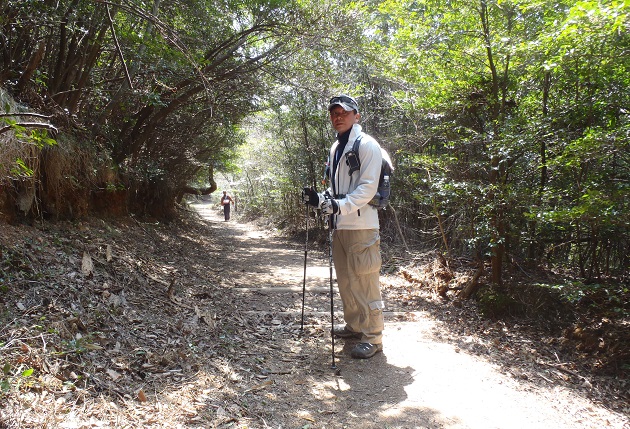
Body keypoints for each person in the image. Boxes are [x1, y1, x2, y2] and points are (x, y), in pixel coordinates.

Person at [302, 95, 385, 359]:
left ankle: (373, 337)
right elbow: (336, 189)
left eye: (344, 113)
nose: (338, 117)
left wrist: (340, 206)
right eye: (334, 113)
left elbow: (367, 188)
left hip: (362, 226)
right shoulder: (336, 147)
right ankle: (354, 325)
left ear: (356, 116)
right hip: (340, 226)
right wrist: (321, 200)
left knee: (365, 282)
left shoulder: (367, 145)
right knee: (347, 281)